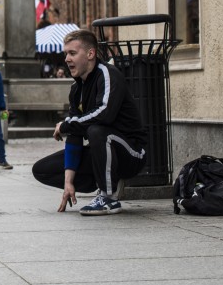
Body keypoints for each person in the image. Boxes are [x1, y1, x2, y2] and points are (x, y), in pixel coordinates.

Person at [32, 30, 147, 216]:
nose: (67, 59)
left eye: (72, 53)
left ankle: (108, 197)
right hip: (102, 152)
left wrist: (67, 125)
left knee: (97, 130)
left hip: (132, 153)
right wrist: (69, 181)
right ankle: (105, 179)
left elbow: (104, 114)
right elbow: (75, 134)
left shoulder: (108, 75)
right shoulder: (76, 88)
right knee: (41, 170)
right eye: (65, 54)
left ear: (91, 54)